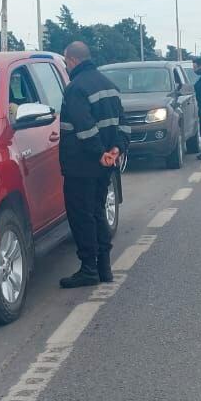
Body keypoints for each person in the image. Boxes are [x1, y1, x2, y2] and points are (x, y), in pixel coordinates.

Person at [59, 41, 128, 288]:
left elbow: (84, 127)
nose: (66, 66)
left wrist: (99, 153)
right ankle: (104, 268)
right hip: (106, 163)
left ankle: (88, 269)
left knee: (82, 216)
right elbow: (123, 124)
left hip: (81, 164)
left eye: (66, 62)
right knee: (98, 212)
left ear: (74, 61)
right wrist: (116, 150)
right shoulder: (110, 85)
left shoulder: (75, 88)